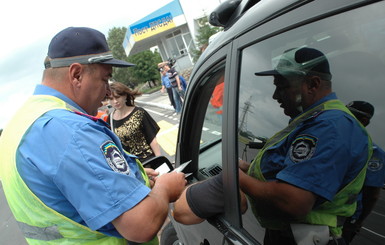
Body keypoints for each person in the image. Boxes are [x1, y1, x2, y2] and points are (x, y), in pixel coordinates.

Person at [0, 27, 186, 245]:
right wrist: (165, 187)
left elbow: (62, 185)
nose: (108, 92)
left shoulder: (20, 124)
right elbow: (141, 225)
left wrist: (126, 175)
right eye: (105, 78)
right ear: (76, 75)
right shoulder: (71, 130)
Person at [174, 47, 372, 245]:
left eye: (283, 87)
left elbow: (294, 202)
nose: (276, 96)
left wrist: (236, 177)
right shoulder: (312, 120)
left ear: (312, 84)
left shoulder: (329, 126)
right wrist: (250, 170)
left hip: (306, 238)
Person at [342, 101, 385, 244]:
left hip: (346, 216)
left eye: (350, 115)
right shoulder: (339, 139)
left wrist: (358, 222)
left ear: (364, 121)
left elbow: (372, 194)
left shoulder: (374, 151)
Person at [107, 81, 161, 164]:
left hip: (148, 161)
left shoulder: (139, 113)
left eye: (117, 97)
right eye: (111, 99)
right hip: (131, 167)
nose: (115, 101)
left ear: (125, 96)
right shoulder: (110, 119)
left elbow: (152, 140)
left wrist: (160, 161)